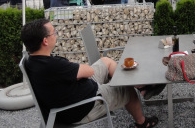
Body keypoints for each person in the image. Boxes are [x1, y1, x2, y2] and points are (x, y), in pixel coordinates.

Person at [21, 18, 158, 127]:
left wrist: (73, 68)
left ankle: (141, 86)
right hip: (85, 106)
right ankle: (142, 122)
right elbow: (89, 70)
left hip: (78, 90)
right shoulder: (53, 66)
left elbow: (74, 72)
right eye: (54, 32)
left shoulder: (33, 61)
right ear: (45, 41)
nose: (56, 34)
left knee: (106, 61)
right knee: (126, 90)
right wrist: (73, 67)